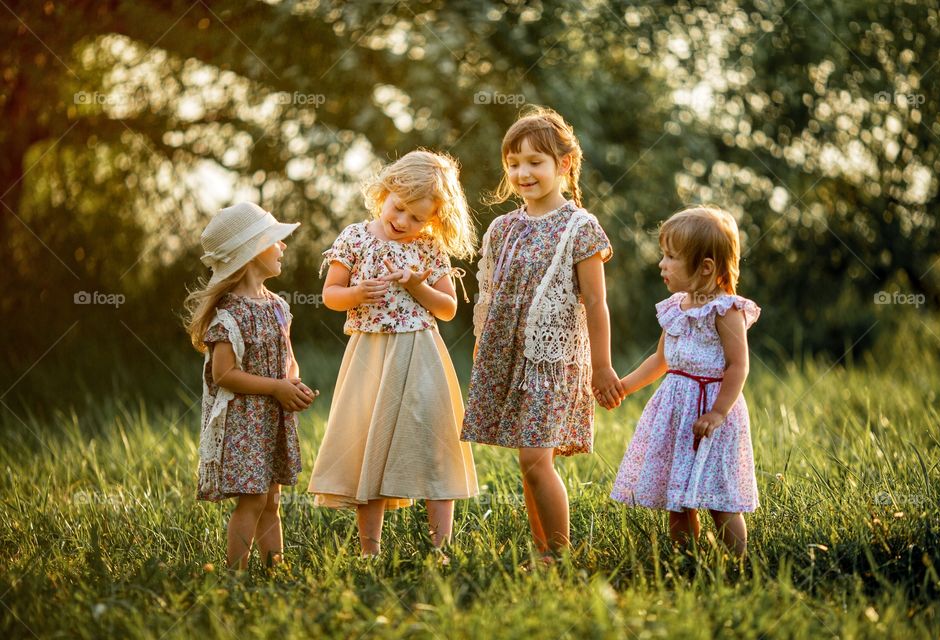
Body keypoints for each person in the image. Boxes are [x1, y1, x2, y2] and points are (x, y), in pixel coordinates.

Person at [462, 107, 623, 563]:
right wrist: (482, 345)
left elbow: (595, 302)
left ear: (563, 165)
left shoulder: (580, 228)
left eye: (535, 161)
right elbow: (490, 296)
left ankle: (559, 554)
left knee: (536, 458)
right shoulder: (503, 228)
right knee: (528, 463)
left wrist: (603, 365)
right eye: (513, 163)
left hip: (551, 362)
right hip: (506, 357)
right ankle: (543, 552)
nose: (522, 172)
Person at [308, 150, 479, 560]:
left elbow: (448, 308)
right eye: (399, 208)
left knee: (434, 445)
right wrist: (357, 293)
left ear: (434, 219)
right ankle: (371, 552)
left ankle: (440, 549)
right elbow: (331, 295)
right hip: (370, 354)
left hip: (421, 353)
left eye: (417, 218)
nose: (403, 222)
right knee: (370, 443)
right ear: (385, 192)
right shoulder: (354, 237)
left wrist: (418, 286)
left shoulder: (428, 248)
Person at [610, 205, 760, 557]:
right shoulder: (676, 307)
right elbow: (660, 361)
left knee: (720, 500)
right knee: (676, 500)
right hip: (676, 414)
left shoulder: (726, 310)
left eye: (671, 257)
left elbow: (738, 366)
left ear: (705, 267)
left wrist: (718, 413)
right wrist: (624, 386)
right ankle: (686, 560)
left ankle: (737, 563)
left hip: (711, 416)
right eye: (664, 255)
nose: (662, 264)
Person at [185, 202, 316, 570]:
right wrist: (275, 388)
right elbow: (223, 374)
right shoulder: (231, 312)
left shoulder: (276, 305)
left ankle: (276, 567)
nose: (284, 247)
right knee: (253, 499)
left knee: (272, 499)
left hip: (271, 418)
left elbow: (288, 359)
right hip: (244, 422)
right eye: (275, 240)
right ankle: (235, 573)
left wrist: (293, 384)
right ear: (252, 251)